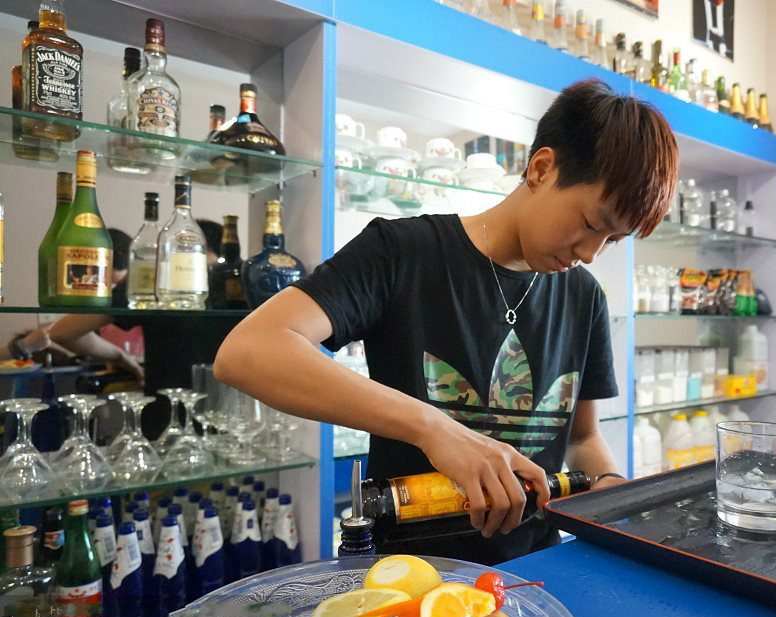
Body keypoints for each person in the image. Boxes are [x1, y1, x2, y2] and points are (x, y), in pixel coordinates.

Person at [214, 79, 679, 563]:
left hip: (536, 566)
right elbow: (247, 352)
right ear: (542, 169)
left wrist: (608, 483)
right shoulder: (402, 252)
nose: (590, 253)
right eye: (591, 224)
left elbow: (582, 438)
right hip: (409, 570)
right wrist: (434, 429)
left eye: (612, 241)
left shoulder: (585, 296)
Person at [48, 221, 238, 439]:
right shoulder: (236, 285)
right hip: (229, 423)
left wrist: (119, 356)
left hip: (163, 426)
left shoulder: (154, 282)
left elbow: (63, 332)